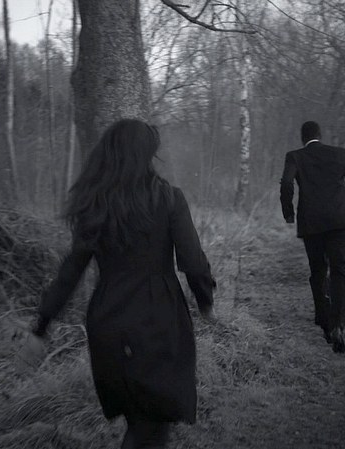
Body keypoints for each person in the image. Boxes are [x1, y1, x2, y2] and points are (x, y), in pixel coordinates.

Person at [22, 118, 216, 448]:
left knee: (142, 422)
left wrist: (41, 327)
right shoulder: (168, 198)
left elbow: (71, 271)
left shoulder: (96, 204)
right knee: (151, 427)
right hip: (158, 321)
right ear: (146, 155)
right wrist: (205, 301)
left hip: (107, 323)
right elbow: (193, 261)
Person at [279, 121, 345, 353]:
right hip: (339, 222)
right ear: (320, 135)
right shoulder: (339, 154)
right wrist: (343, 199)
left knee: (318, 271)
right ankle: (338, 325)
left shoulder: (295, 156)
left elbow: (286, 183)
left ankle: (325, 322)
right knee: (340, 272)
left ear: (302, 138)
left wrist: (288, 212)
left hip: (311, 223)